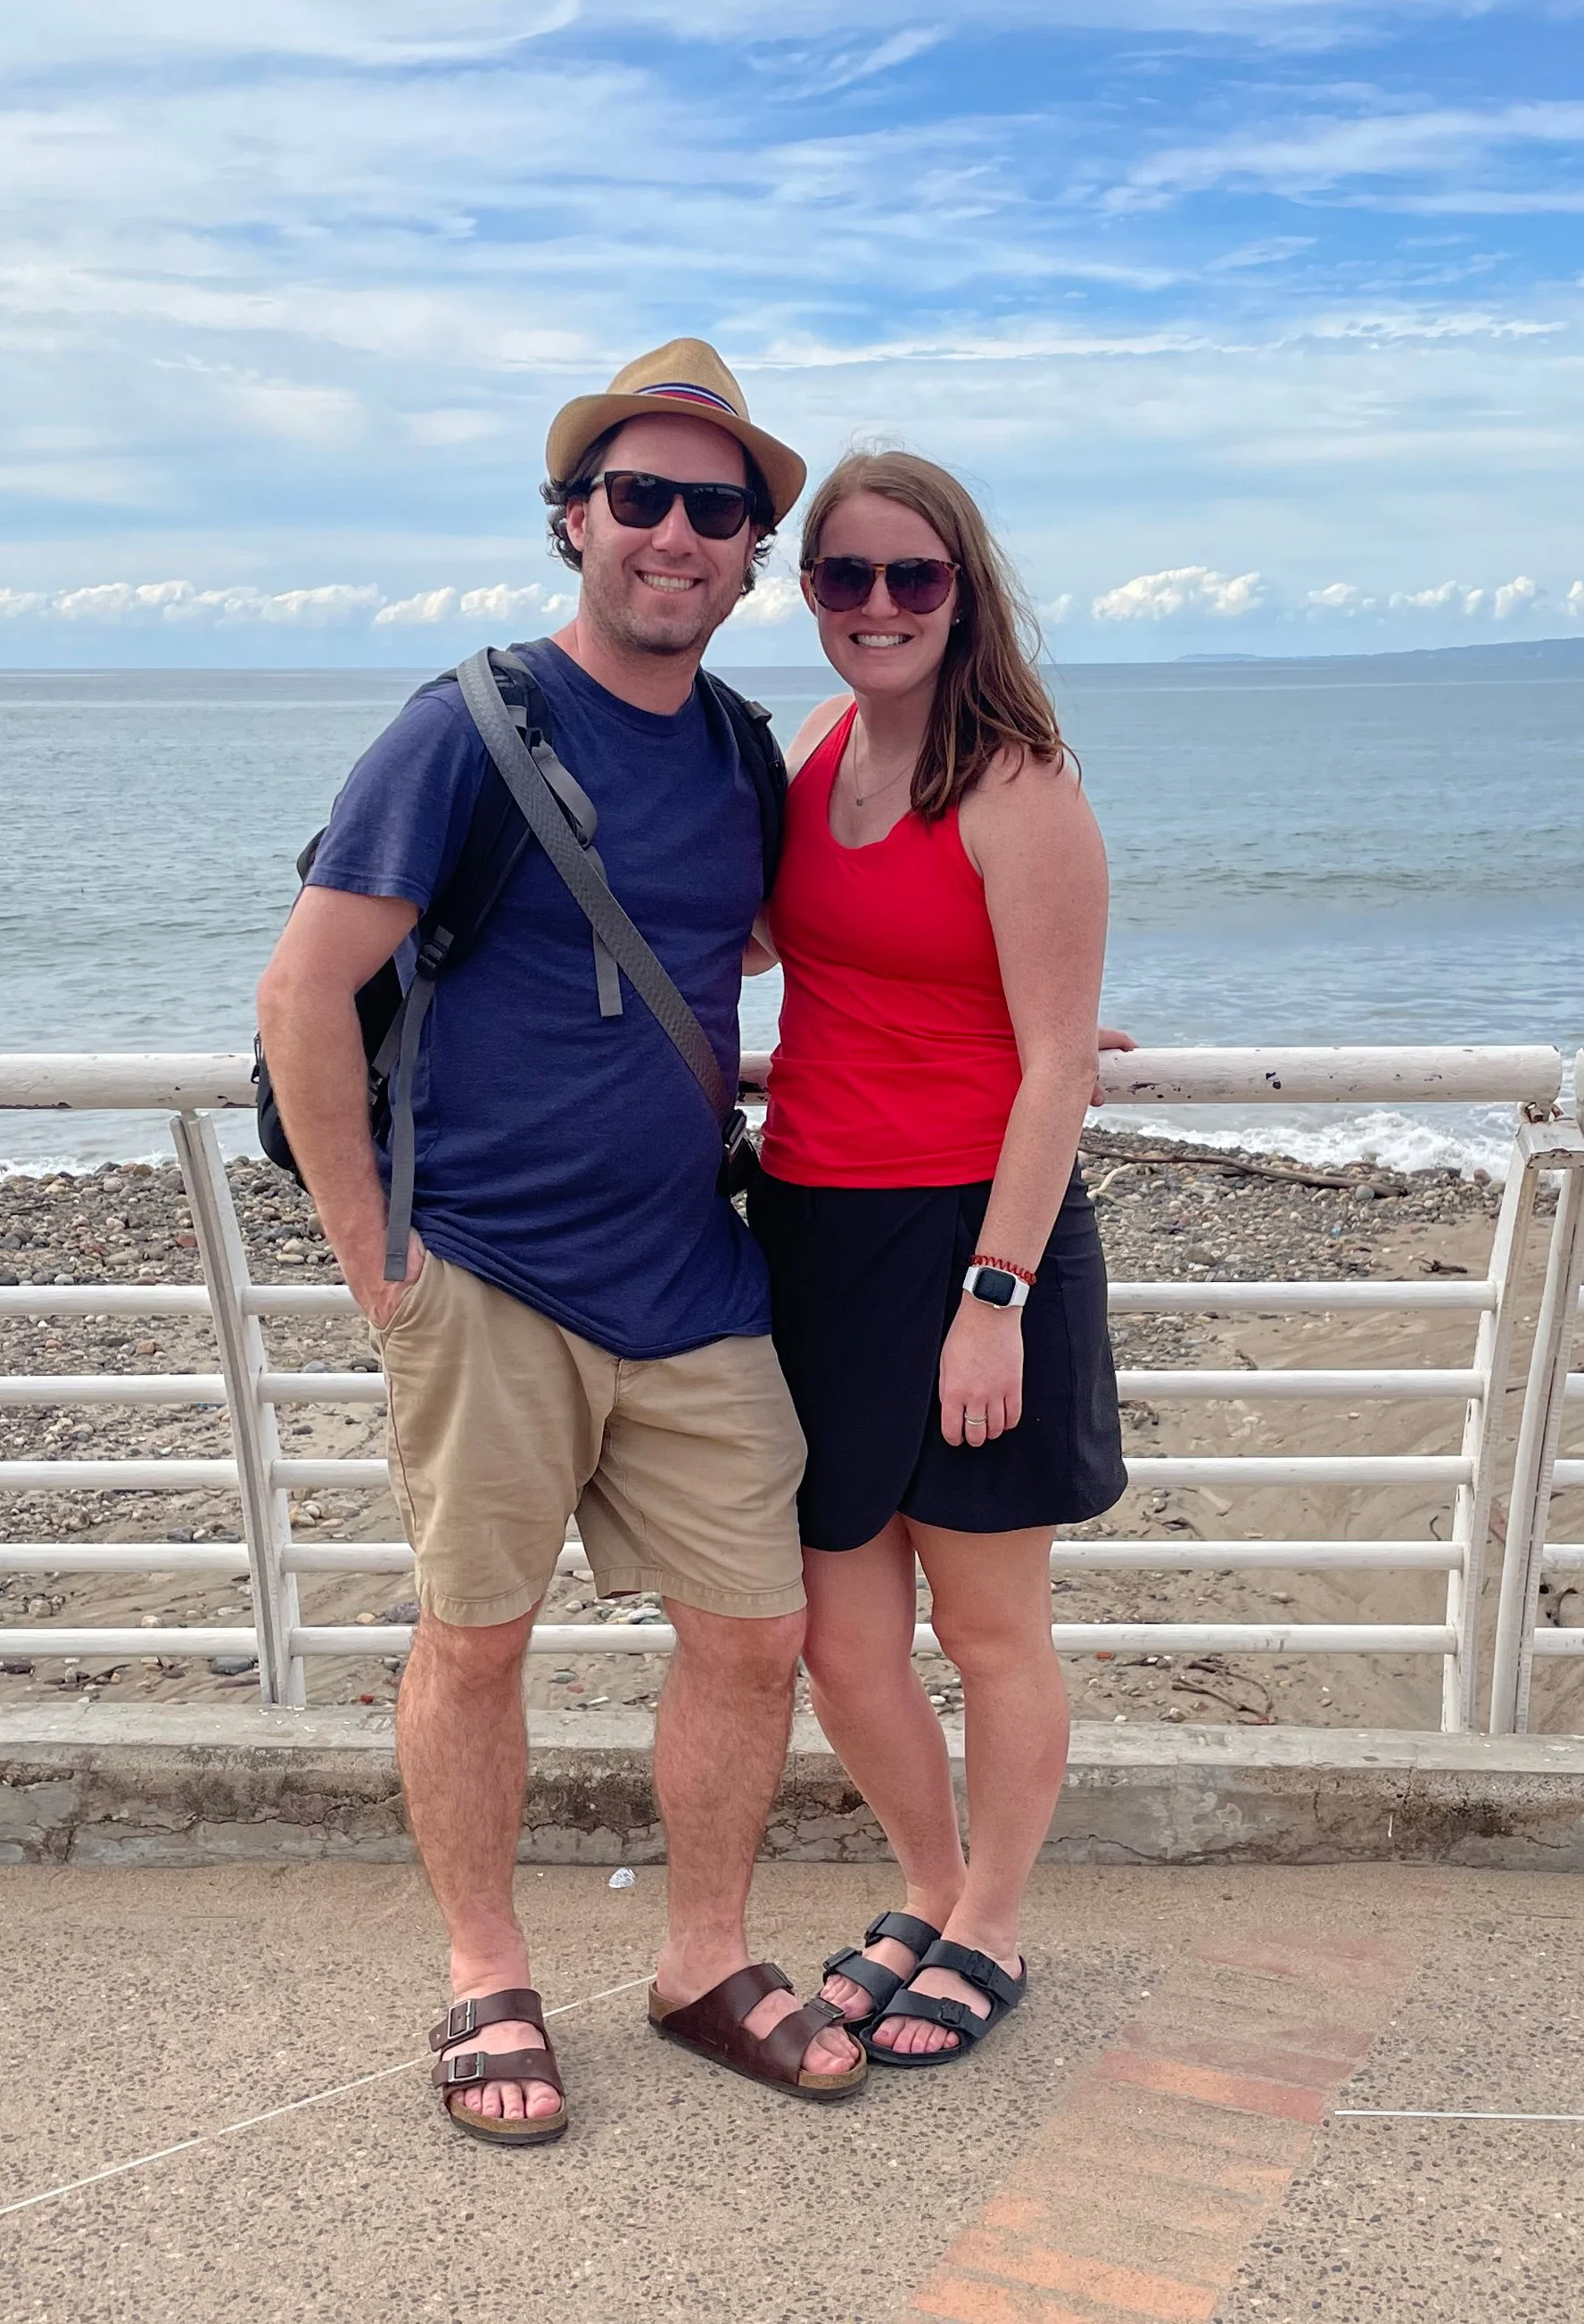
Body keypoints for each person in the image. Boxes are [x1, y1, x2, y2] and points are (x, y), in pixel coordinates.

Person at [256, 341, 864, 2145]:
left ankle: (700, 1961)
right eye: (640, 496)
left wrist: (1021, 1024)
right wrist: (375, 1254)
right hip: (487, 1275)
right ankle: (485, 1966)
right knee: (477, 1638)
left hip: (690, 1277)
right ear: (574, 520)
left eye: (716, 509)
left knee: (753, 1634)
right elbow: (304, 991)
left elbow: (757, 943)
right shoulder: (463, 728)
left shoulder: (741, 749)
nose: (677, 533)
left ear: (751, 552)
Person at [745, 449, 1126, 2068]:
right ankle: (924, 1885)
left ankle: (992, 1922)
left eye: (914, 575)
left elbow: (1055, 1065)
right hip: (812, 1225)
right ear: (809, 593)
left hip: (977, 1234)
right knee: (840, 1637)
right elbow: (766, 938)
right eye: (846, 576)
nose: (879, 605)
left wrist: (995, 1298)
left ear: (962, 591)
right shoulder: (812, 752)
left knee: (985, 1626)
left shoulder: (1017, 784)